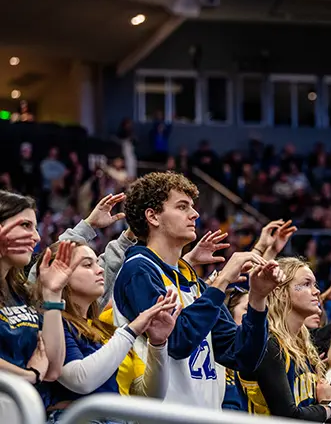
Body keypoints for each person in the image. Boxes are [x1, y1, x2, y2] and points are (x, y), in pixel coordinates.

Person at [111, 172, 281, 409]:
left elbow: (242, 355)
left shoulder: (192, 281)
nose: (195, 214)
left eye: (192, 207)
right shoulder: (139, 270)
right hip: (159, 416)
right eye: (182, 207)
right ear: (153, 216)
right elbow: (176, 341)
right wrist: (221, 282)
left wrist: (258, 298)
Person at [36, 240, 180, 423]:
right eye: (88, 265)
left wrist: (158, 344)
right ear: (59, 272)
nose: (100, 269)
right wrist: (132, 330)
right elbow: (81, 380)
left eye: (97, 262)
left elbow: (150, 397)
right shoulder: (51, 323)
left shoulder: (107, 328)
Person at [236, 257, 331, 423]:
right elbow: (287, 416)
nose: (317, 291)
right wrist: (328, 407)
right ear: (281, 293)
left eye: (315, 284)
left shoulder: (305, 349)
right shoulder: (268, 343)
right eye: (306, 284)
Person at [0, 191, 82, 423]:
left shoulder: (22, 291)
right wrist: (29, 375)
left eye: (35, 227)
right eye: (25, 225)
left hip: (29, 413)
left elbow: (54, 367)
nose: (35, 237)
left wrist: (53, 293)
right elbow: (39, 373)